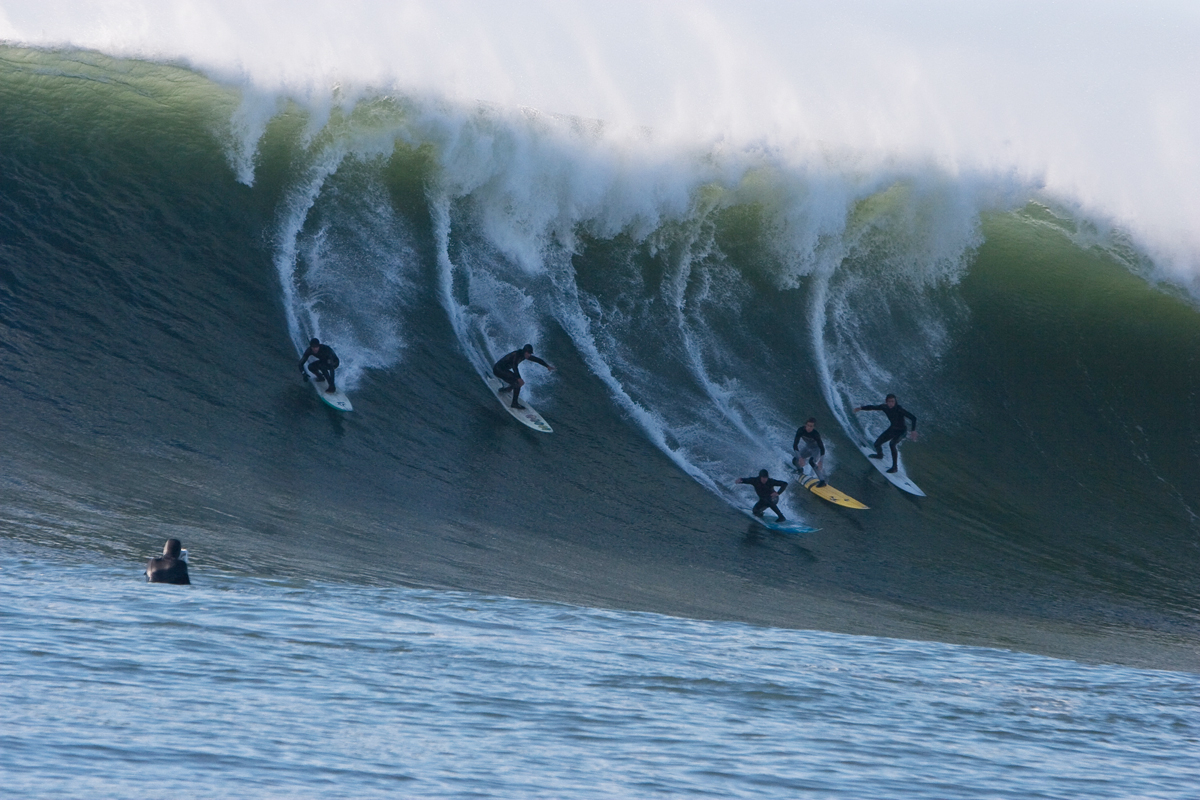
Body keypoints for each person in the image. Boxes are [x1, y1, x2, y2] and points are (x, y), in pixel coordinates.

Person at [853, 393, 917, 473]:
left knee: (892, 444)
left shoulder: (899, 409)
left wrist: (913, 430)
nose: (891, 403)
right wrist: (861, 408)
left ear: (895, 402)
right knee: (877, 444)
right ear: (886, 402)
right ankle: (880, 455)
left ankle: (895, 467)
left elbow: (913, 418)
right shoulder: (884, 407)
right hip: (892, 429)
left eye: (893, 401)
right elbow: (873, 407)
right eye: (889, 401)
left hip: (901, 431)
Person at [492, 344, 555, 410]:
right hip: (498, 369)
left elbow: (537, 360)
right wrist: (518, 378)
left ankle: (506, 389)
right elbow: (514, 366)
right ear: (525, 351)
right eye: (528, 353)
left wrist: (547, 366)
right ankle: (514, 403)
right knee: (518, 382)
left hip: (503, 370)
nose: (529, 355)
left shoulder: (525, 355)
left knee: (517, 382)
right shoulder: (516, 354)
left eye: (530, 353)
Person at [792, 417, 828, 487]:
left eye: (811, 426)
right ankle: (800, 470)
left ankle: (822, 481)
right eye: (808, 425)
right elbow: (795, 445)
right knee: (795, 460)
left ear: (813, 427)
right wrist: (800, 458)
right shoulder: (800, 430)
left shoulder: (815, 434)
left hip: (816, 450)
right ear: (805, 425)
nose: (809, 428)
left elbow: (822, 448)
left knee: (811, 462)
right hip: (808, 448)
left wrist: (821, 461)